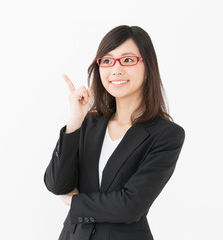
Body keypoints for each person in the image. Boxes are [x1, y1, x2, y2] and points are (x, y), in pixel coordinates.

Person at [44, 25, 185, 240]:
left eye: (128, 60)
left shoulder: (166, 135)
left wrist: (74, 202)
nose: (116, 70)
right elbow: (57, 184)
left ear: (148, 66)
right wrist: (74, 123)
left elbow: (130, 205)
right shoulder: (88, 123)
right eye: (107, 61)